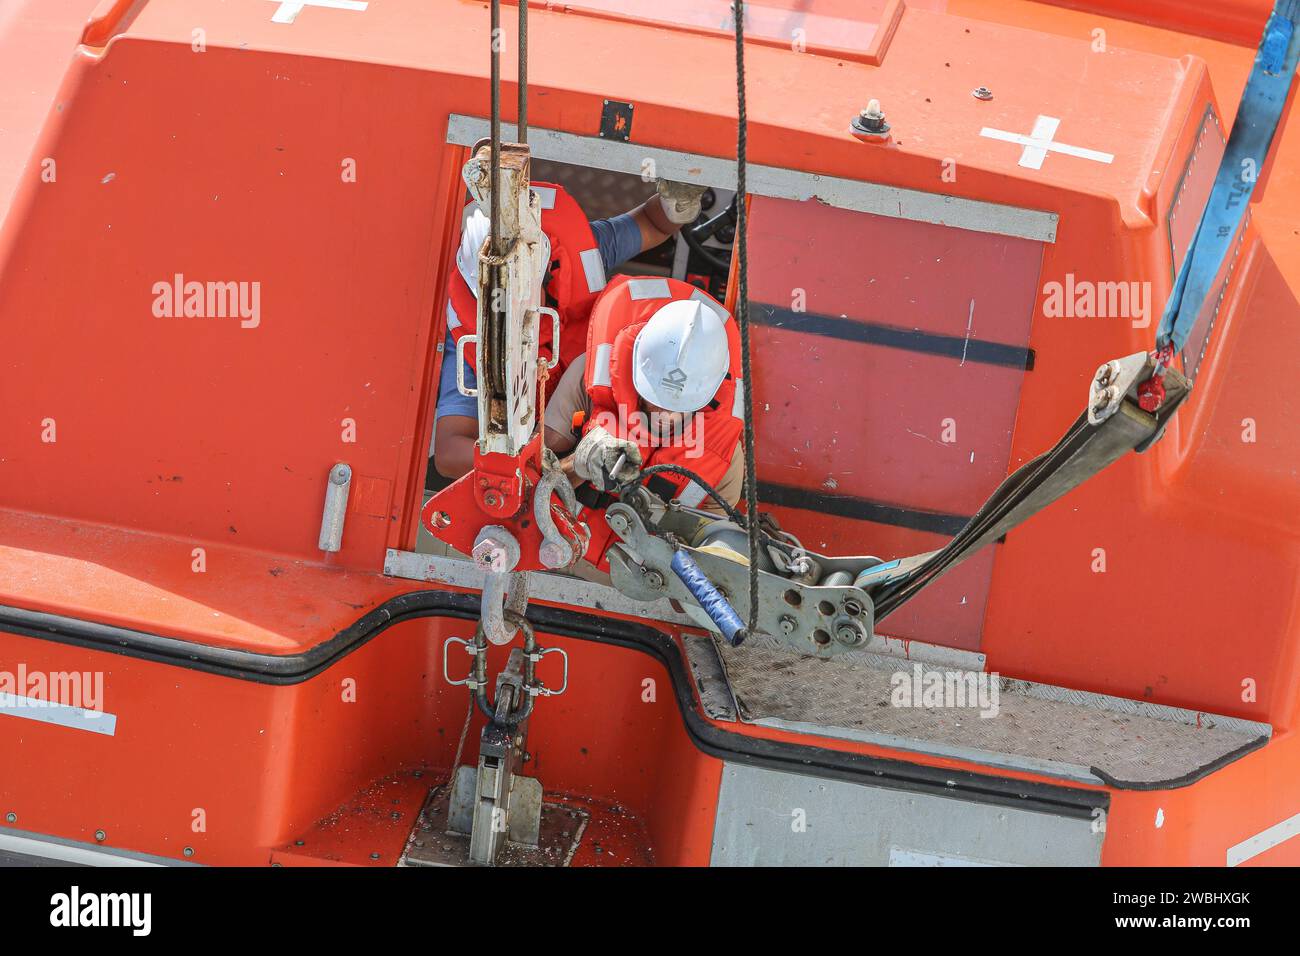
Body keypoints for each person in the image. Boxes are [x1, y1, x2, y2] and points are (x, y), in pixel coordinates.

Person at [432, 175, 707, 479]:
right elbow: (449, 453)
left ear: (546, 269)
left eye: (520, 301)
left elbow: (652, 225)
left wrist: (676, 203)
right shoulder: (469, 343)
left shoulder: (578, 251)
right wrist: (535, 464)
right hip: (554, 455)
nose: (512, 317)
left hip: (616, 409)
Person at [543, 274, 746, 564]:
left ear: (711, 393)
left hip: (641, 589)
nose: (665, 413)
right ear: (636, 362)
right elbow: (528, 485)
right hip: (556, 549)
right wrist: (580, 462)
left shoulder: (725, 460)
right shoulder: (587, 377)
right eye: (655, 398)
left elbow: (704, 570)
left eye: (681, 404)